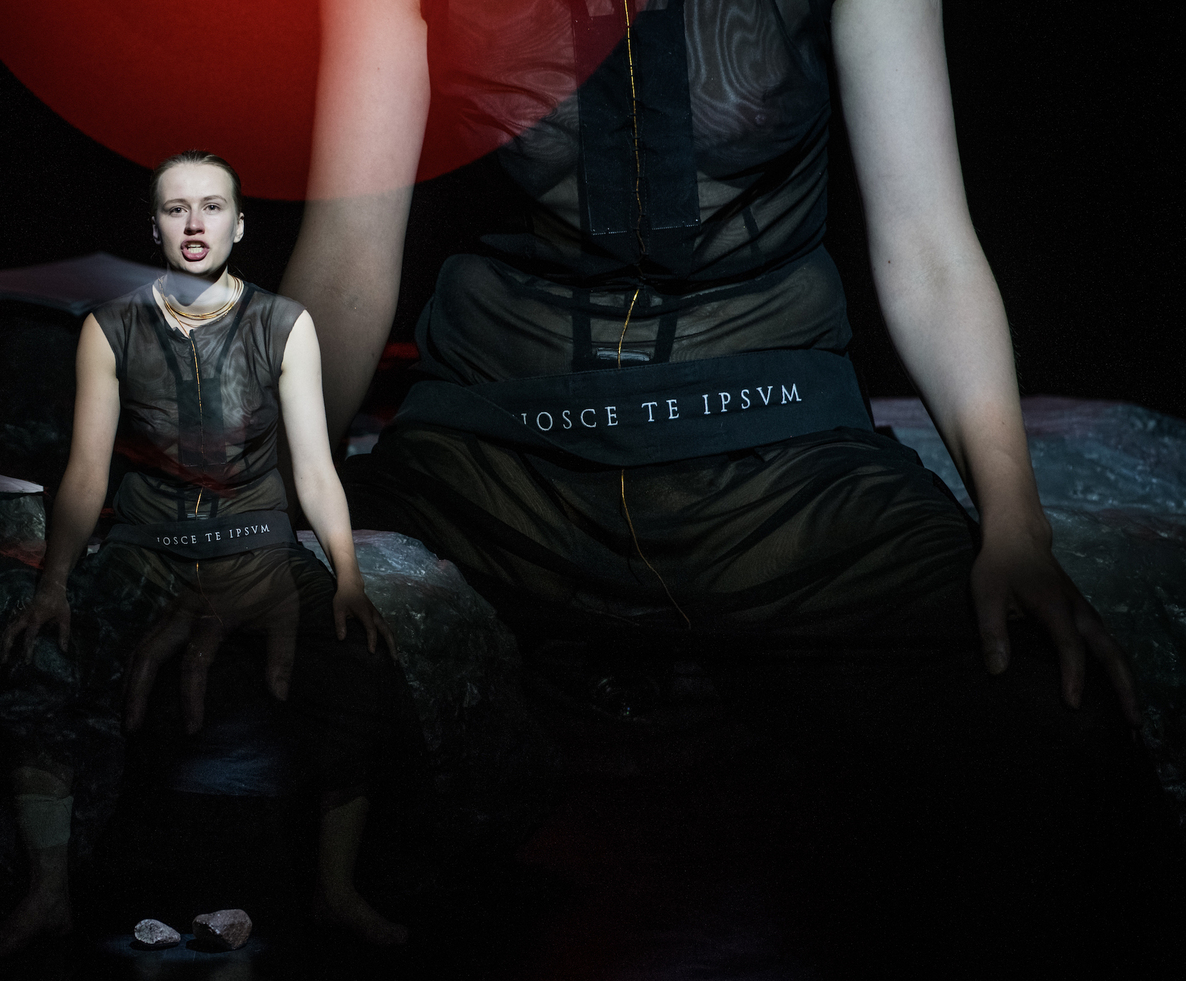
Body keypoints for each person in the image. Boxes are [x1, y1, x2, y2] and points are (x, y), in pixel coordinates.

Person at [278, 0, 1178, 970]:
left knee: (1058, 733)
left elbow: (929, 250)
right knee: (270, 698)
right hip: (495, 455)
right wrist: (248, 508)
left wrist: (1015, 523)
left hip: (776, 447)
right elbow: (349, 257)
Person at [0, 151, 415, 955]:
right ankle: (47, 895)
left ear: (238, 224)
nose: (193, 223)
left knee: (359, 666)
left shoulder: (283, 324)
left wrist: (348, 578)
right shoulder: (110, 328)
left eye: (211, 207)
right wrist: (55, 583)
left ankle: (335, 890)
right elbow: (86, 471)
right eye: (176, 208)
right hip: (149, 550)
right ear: (154, 226)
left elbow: (314, 467)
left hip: (258, 543)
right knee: (43, 659)